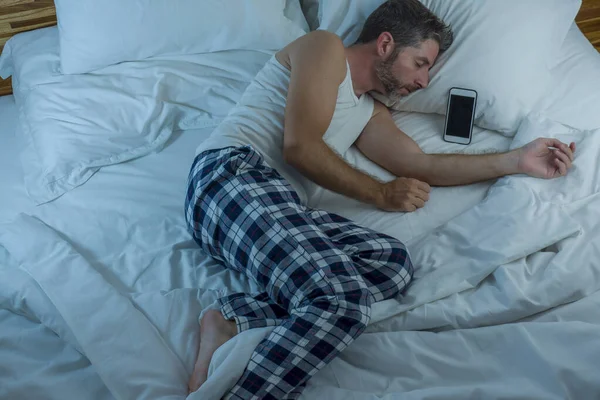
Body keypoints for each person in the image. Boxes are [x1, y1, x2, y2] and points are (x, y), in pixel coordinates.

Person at [184, 0, 576, 398]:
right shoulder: (324, 48)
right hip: (229, 178)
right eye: (421, 63)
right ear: (386, 44)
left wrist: (516, 160)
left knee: (391, 266)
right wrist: (380, 193)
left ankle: (232, 319)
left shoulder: (369, 112)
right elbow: (300, 147)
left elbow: (422, 164)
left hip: (278, 207)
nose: (424, 82)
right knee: (343, 301)